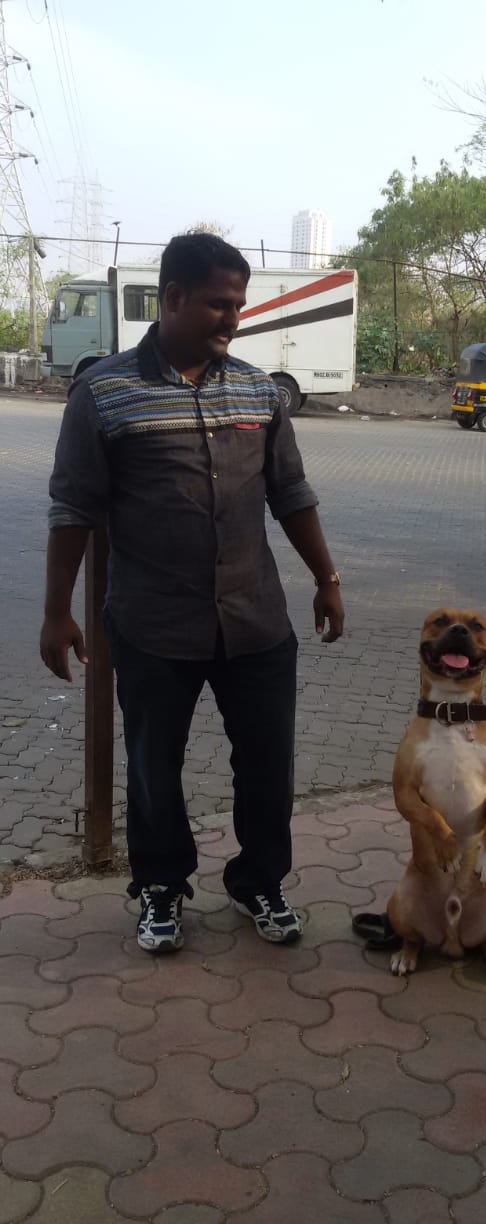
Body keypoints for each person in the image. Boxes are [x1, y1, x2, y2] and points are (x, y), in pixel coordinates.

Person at [40, 232, 344, 954]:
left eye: (238, 304)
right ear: (172, 298)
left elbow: (291, 493)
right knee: (155, 768)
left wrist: (326, 579)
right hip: (153, 625)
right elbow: (73, 508)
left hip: (255, 620)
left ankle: (258, 881)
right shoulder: (103, 392)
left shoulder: (258, 390)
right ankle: (161, 886)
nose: (233, 318)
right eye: (217, 303)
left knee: (267, 765)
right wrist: (56, 613)